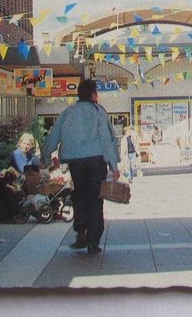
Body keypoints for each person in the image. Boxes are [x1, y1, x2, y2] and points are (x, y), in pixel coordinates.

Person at [42, 79, 120, 254]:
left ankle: (81, 232)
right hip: (96, 160)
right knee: (95, 198)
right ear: (93, 95)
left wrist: (47, 156)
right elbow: (107, 139)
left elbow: (54, 134)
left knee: (79, 195)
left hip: (75, 160)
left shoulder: (68, 112)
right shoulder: (99, 112)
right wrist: (114, 166)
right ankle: (93, 241)